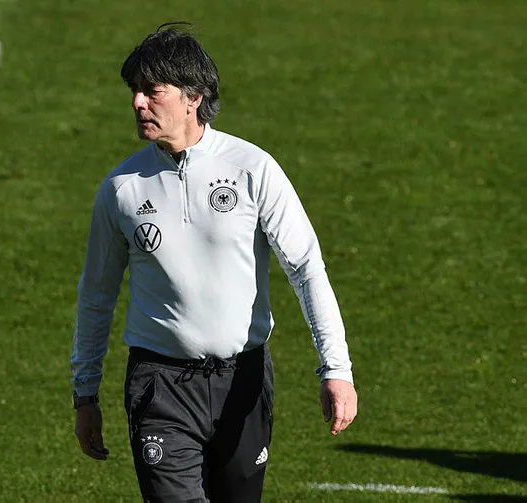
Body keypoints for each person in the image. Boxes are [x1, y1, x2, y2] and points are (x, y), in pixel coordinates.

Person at [71, 23, 357, 502]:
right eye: (134, 90)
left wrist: (337, 368)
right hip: (159, 387)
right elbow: (96, 296)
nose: (138, 103)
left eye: (152, 91)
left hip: (243, 382)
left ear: (193, 97)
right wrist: (85, 394)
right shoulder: (121, 189)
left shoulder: (252, 169)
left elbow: (306, 267)